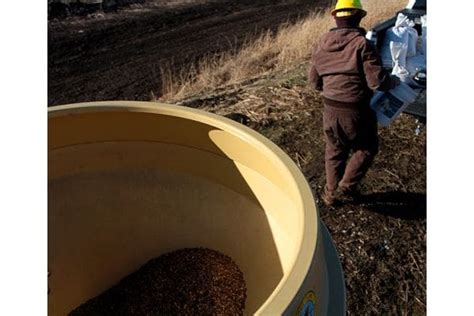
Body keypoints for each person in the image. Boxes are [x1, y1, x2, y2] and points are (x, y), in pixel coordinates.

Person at [308, 0, 400, 206]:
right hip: (356, 112)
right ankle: (346, 188)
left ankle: (330, 195)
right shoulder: (362, 44)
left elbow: (314, 82)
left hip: (329, 110)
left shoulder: (321, 42)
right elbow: (378, 82)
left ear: (335, 17)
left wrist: (333, 89)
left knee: (334, 151)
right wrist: (394, 80)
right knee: (366, 148)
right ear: (359, 17)